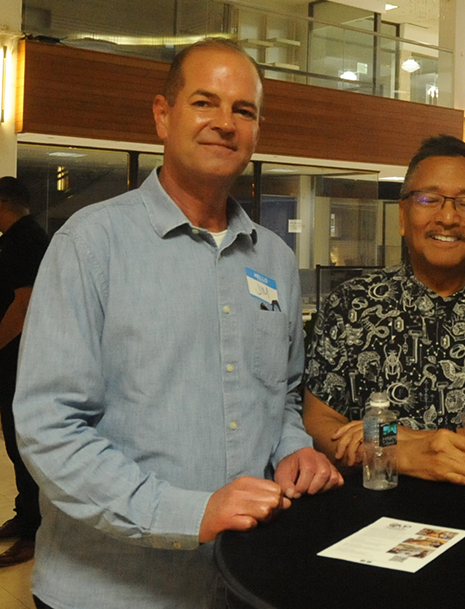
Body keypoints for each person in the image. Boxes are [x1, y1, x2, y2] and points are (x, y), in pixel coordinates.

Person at [13, 38, 342, 609]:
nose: (224, 123)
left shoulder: (274, 261)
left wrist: (294, 449)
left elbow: (282, 397)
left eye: (244, 110)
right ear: (163, 116)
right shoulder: (91, 245)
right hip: (112, 592)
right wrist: (190, 512)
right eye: (204, 103)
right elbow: (50, 427)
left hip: (242, 581)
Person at [303, 135, 465, 485]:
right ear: (402, 214)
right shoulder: (351, 305)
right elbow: (319, 423)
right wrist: (402, 452)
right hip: (366, 514)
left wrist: (425, 439)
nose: (447, 217)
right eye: (429, 199)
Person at [0, 177, 49, 566]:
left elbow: (23, 307)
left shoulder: (27, 240)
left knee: (23, 445)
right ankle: (24, 516)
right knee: (14, 446)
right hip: (11, 359)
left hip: (22, 359)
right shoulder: (13, 238)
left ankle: (35, 532)